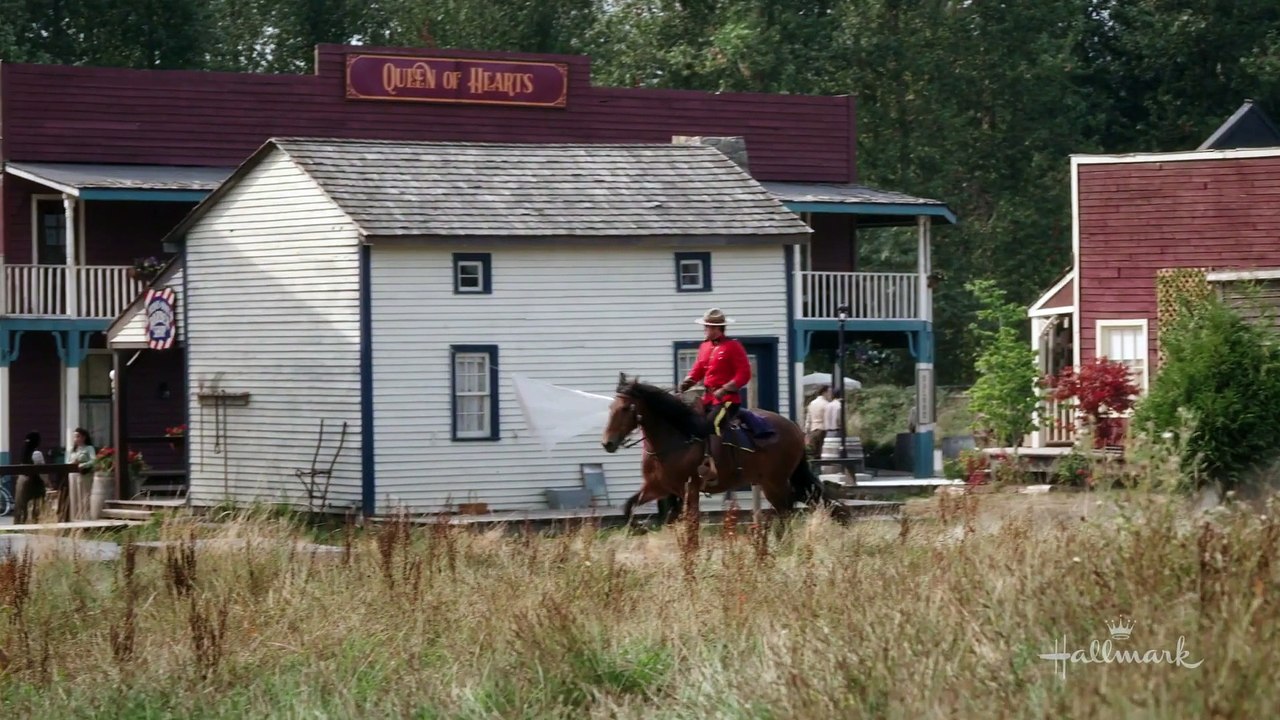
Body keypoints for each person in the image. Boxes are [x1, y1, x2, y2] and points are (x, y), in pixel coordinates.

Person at [678, 308, 758, 456]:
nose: (705, 330)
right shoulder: (704, 346)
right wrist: (688, 381)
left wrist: (726, 389)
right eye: (705, 326)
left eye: (707, 326)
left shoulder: (733, 346)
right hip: (707, 399)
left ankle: (715, 462)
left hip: (727, 400)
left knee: (710, 424)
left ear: (717, 329)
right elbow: (698, 369)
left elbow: (744, 374)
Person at [12, 432, 46, 524]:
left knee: (20, 504)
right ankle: (34, 523)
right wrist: (47, 483)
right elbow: (42, 470)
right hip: (33, 481)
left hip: (21, 479)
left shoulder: (23, 451)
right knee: (36, 503)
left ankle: (18, 523)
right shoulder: (37, 454)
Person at [66, 427, 96, 521]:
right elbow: (67, 462)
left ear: (84, 437)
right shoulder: (72, 450)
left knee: (84, 495)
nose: (76, 439)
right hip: (73, 475)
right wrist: (72, 463)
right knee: (74, 496)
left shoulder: (89, 448)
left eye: (78, 437)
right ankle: (75, 517)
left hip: (84, 475)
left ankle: (85, 517)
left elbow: (94, 461)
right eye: (75, 437)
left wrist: (84, 464)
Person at [806, 385, 831, 457]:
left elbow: (808, 419)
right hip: (823, 429)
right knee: (823, 452)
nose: (830, 394)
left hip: (813, 429)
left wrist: (807, 431)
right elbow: (828, 419)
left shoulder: (812, 403)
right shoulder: (826, 404)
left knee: (815, 452)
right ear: (824, 392)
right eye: (829, 392)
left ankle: (815, 467)